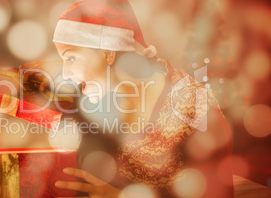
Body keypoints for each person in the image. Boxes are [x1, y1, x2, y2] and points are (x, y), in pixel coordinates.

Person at [22, 0, 234, 197]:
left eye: (71, 58)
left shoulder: (194, 109)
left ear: (108, 54)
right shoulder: (92, 107)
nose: (66, 73)